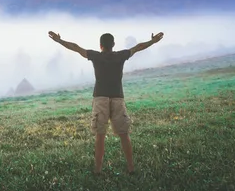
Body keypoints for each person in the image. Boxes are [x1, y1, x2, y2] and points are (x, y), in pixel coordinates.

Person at [48, 30, 164, 174]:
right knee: (123, 134)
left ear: (100, 45)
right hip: (117, 98)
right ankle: (131, 168)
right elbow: (138, 47)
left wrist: (59, 40)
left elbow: (76, 47)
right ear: (113, 44)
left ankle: (97, 170)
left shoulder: (95, 56)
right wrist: (153, 41)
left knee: (100, 135)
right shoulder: (121, 55)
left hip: (100, 99)